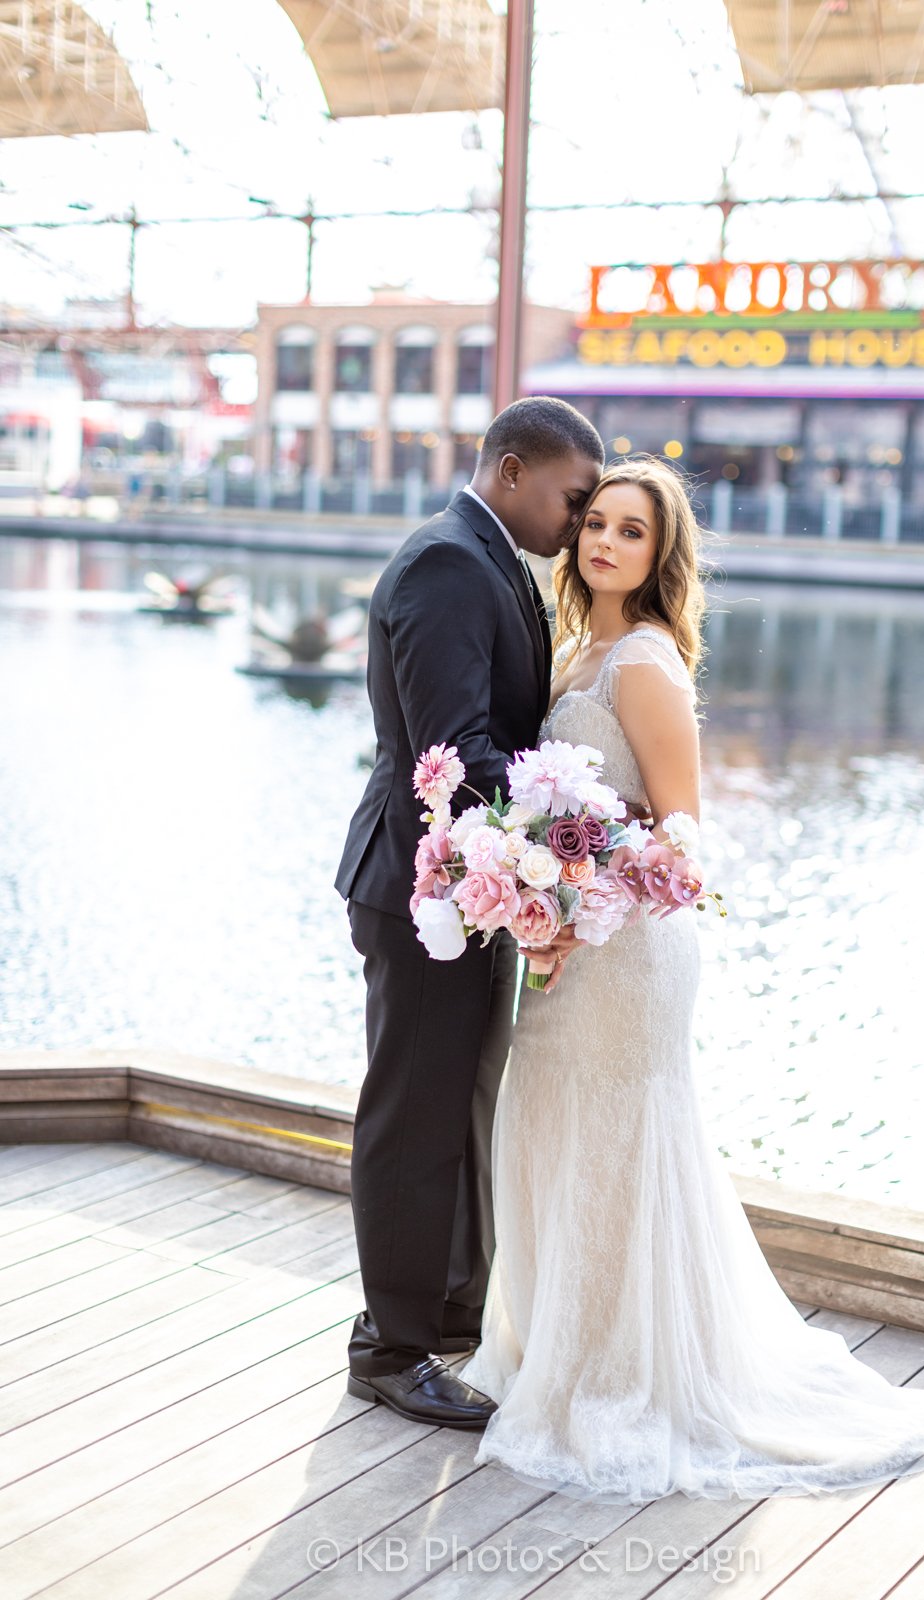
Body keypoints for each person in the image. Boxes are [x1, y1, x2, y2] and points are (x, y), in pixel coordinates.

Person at [459, 455, 924, 1501]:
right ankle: (552, 1352)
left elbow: (679, 833)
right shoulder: (572, 647)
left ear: (658, 554)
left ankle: (620, 1378)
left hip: (627, 950)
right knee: (547, 1128)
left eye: (631, 531)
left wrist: (582, 887)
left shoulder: (642, 662)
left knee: (620, 1147)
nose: (604, 543)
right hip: (560, 944)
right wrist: (532, 882)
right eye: (596, 523)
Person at [334, 396, 604, 1429]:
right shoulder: (449, 564)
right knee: (412, 1114)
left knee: (457, 1103)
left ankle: (446, 1311)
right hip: (420, 886)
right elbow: (454, 757)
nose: (579, 522)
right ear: (509, 471)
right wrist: (580, 832)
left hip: (463, 886)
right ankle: (389, 1348)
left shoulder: (489, 561)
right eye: (573, 497)